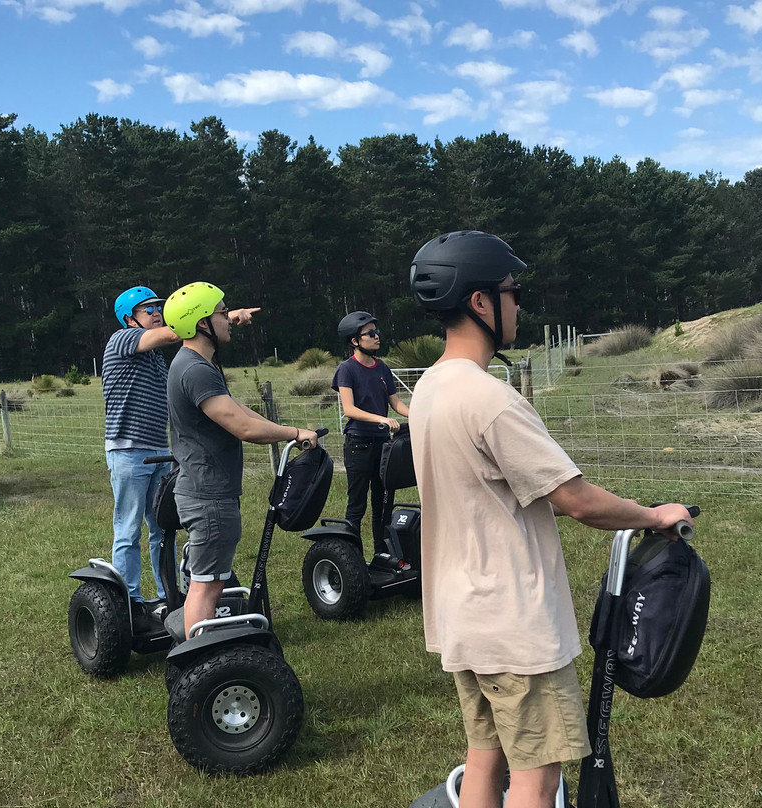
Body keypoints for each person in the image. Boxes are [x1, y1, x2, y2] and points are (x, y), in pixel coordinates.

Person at [407, 230, 693, 808]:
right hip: (513, 624)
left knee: (484, 759)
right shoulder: (491, 400)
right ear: (480, 302)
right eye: (512, 292)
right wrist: (652, 515)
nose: (519, 304)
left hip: (462, 614)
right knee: (538, 781)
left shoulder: (430, 388)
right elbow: (577, 500)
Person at [163, 282, 317, 637]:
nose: (227, 318)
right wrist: (294, 433)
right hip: (208, 494)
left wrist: (280, 426)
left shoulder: (197, 363)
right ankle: (199, 666)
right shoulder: (194, 369)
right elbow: (242, 426)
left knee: (207, 582)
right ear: (202, 324)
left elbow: (236, 410)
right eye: (221, 312)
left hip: (205, 489)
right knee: (207, 586)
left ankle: (198, 661)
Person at [102, 286, 181, 629]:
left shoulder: (155, 359)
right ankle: (130, 603)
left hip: (159, 450)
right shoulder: (121, 340)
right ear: (129, 318)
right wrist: (205, 320)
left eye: (158, 307)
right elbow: (168, 335)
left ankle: (169, 596)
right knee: (129, 529)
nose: (157, 312)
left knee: (163, 528)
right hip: (129, 450)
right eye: (148, 309)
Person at [332, 311, 410, 559]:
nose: (377, 337)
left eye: (377, 332)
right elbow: (349, 409)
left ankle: (382, 555)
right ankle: (352, 559)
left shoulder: (382, 368)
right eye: (371, 334)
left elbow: (396, 403)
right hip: (358, 445)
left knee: (383, 502)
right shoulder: (347, 369)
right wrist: (382, 420)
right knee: (357, 504)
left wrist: (420, 414)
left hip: (383, 446)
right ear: (355, 341)